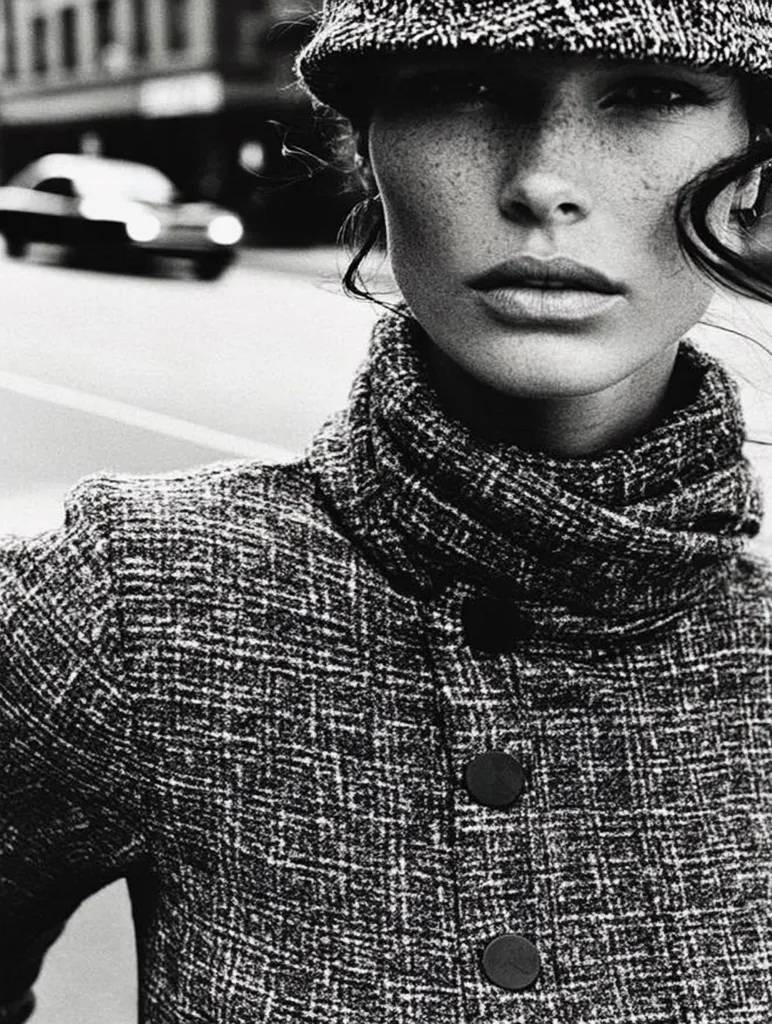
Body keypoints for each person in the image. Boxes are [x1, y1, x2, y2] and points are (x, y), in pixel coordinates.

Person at [2, 0, 771, 1021]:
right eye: (464, 89)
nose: (544, 181)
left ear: (753, 164)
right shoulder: (134, 602)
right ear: (367, 146)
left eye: (652, 96)